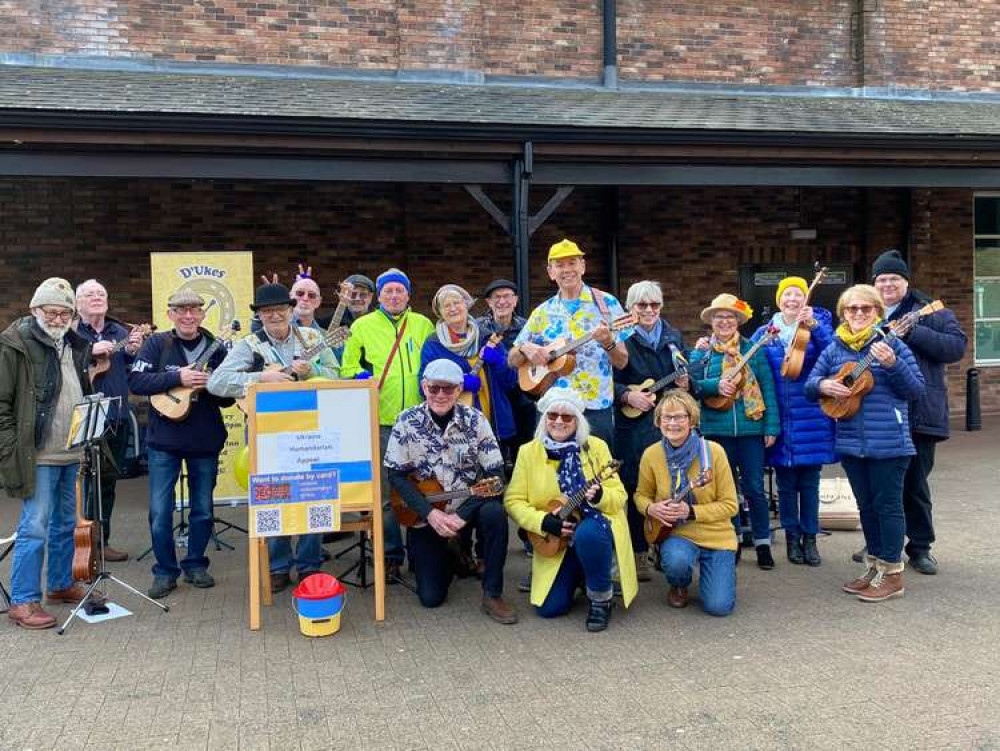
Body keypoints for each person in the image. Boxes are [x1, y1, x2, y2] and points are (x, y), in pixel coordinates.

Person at [208, 282, 340, 591]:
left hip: (310, 432)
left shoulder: (313, 338)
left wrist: (309, 372)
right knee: (275, 499)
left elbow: (337, 375)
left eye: (280, 310)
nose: (275, 316)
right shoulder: (249, 345)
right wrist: (260, 377)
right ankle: (278, 566)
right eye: (268, 312)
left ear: (291, 311)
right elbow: (217, 382)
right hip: (268, 435)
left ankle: (309, 565)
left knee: (314, 496)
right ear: (260, 316)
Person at [806, 284, 925, 602]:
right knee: (866, 507)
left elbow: (916, 391)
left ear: (877, 312)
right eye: (851, 309)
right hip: (850, 441)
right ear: (843, 313)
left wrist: (892, 365)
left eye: (866, 309)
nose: (858, 314)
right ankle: (874, 567)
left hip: (889, 441)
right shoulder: (834, 348)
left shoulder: (893, 344)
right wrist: (825, 385)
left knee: (888, 507)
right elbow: (809, 385)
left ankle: (893, 573)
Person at [383, 359, 517, 624]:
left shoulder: (476, 420)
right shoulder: (406, 421)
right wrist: (429, 514)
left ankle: (492, 593)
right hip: (427, 513)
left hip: (469, 507)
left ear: (458, 390)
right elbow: (395, 475)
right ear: (424, 387)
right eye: (434, 388)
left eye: (448, 389)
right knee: (430, 598)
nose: (440, 395)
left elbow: (495, 475)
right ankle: (452, 553)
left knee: (495, 514)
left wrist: (462, 515)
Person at [1, 279, 99, 629]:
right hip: (38, 456)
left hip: (70, 453)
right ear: (34, 310)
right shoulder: (16, 345)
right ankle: (24, 600)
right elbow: (2, 405)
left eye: (65, 313)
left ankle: (59, 584)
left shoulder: (73, 344)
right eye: (51, 312)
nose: (58, 319)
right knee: (35, 527)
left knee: (64, 525)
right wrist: (11, 449)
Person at [129, 290, 235, 599]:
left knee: (202, 509)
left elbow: (228, 398)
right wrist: (177, 378)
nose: (188, 316)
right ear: (171, 314)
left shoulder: (217, 348)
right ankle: (165, 572)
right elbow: (137, 382)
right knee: (160, 511)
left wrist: (210, 384)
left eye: (194, 310)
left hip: (204, 439)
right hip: (164, 441)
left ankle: (196, 565)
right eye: (181, 310)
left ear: (203, 314)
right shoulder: (156, 344)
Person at [503, 388, 637, 632]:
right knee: (549, 609)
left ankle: (600, 598)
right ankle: (580, 574)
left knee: (588, 534)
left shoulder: (596, 447)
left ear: (578, 421)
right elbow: (513, 501)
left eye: (567, 417)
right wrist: (542, 522)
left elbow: (620, 496)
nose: (558, 421)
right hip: (557, 538)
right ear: (544, 418)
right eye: (552, 415)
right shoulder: (528, 452)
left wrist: (600, 495)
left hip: (594, 528)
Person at [871, 249, 967, 575]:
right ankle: (885, 543)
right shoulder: (865, 311)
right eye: (881, 279)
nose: (887, 285)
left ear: (905, 281)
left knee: (914, 483)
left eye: (893, 278)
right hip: (878, 413)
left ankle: (920, 547)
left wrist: (913, 331)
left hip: (918, 411)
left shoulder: (929, 312)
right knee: (882, 484)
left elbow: (956, 347)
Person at [340, 268, 435, 580]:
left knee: (425, 486)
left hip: (421, 421)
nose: (394, 296)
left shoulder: (423, 324)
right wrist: (362, 378)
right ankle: (392, 554)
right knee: (385, 493)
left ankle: (425, 552)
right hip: (382, 421)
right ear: (379, 296)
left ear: (408, 295)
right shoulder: (362, 326)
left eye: (400, 291)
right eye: (388, 291)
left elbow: (433, 363)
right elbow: (347, 368)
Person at [508, 239, 630, 449]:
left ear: (583, 266)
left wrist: (608, 342)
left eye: (572, 262)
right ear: (550, 271)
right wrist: (524, 348)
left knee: (597, 472)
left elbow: (622, 362)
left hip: (594, 406)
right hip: (552, 409)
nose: (567, 270)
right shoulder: (542, 312)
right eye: (559, 265)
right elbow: (512, 359)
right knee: (549, 474)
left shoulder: (606, 305)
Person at [690, 294, 780, 570]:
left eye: (730, 317)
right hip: (716, 430)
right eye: (719, 317)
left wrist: (771, 426)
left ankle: (763, 543)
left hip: (751, 428)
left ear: (738, 322)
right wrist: (715, 386)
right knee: (725, 491)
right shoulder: (701, 353)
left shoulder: (755, 349)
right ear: (712, 323)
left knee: (754, 487)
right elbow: (692, 386)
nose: (725, 321)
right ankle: (733, 539)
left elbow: (767, 388)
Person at [751, 277, 836, 566]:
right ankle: (791, 538)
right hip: (781, 418)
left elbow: (833, 353)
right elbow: (746, 359)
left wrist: (815, 327)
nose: (792, 299)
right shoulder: (766, 332)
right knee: (786, 485)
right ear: (779, 299)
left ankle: (810, 538)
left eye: (798, 294)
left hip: (812, 416)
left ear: (805, 299)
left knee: (810, 484)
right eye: (787, 294)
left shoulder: (817, 327)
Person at [612, 280, 692, 582]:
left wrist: (687, 383)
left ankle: (665, 545)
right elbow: (603, 379)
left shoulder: (673, 337)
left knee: (671, 486)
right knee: (635, 486)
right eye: (641, 305)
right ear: (630, 308)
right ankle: (637, 554)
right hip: (632, 427)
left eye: (654, 305)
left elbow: (685, 377)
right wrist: (626, 395)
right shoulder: (620, 339)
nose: (648, 310)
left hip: (667, 424)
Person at [634, 390, 738, 616]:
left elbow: (731, 505)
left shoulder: (714, 453)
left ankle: (718, 572)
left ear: (691, 420)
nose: (672, 423)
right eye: (666, 417)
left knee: (719, 607)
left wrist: (690, 511)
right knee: (677, 561)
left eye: (679, 417)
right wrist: (651, 508)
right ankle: (679, 582)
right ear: (658, 421)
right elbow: (640, 495)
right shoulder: (652, 454)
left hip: (717, 535)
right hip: (676, 533)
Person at [74, 279, 145, 562]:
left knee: (108, 481)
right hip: (83, 415)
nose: (96, 298)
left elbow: (132, 369)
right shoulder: (71, 332)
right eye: (89, 294)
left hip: (116, 415)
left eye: (101, 293)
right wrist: (87, 352)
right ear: (78, 303)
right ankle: (82, 543)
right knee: (83, 482)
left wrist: (131, 352)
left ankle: (101, 542)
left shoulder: (120, 331)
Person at [420, 284, 516, 445]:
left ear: (466, 304)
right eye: (446, 306)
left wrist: (499, 362)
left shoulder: (488, 338)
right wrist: (459, 383)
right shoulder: (434, 344)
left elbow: (511, 381)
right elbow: (423, 387)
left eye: (456, 303)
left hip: (493, 425)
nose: (452, 309)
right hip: (453, 429)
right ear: (440, 313)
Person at [477, 279, 535, 459]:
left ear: (515, 300)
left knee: (524, 444)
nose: (502, 301)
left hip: (521, 392)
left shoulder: (528, 327)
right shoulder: (478, 328)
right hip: (490, 391)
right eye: (496, 297)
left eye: (507, 296)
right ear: (488, 302)